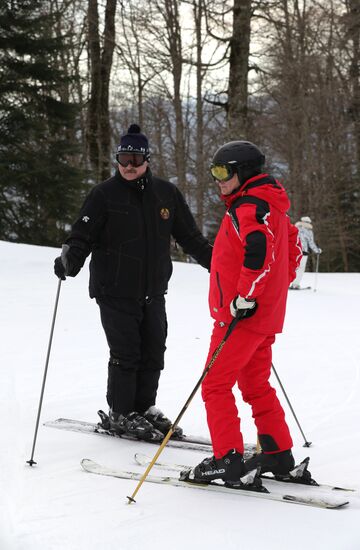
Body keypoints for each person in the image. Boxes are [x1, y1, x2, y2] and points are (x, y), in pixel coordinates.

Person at [54, 124, 212, 441]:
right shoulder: (103, 195)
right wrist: (69, 261)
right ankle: (121, 412)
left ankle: (143, 408)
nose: (128, 166)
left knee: (154, 350)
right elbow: (81, 236)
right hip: (114, 290)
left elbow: (191, 238)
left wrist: (220, 265)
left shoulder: (166, 194)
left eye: (134, 160)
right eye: (123, 159)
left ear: (147, 160)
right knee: (126, 353)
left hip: (153, 290)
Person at [181, 140, 305, 488]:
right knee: (254, 384)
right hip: (264, 317)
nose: (218, 179)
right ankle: (278, 453)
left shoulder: (248, 207)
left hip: (241, 317)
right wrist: (276, 284)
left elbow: (259, 250)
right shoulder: (272, 205)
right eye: (214, 172)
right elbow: (292, 245)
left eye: (224, 172)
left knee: (215, 384)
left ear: (244, 172)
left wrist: (247, 296)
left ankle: (228, 459)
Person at [289, 216, 322, 290]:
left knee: (293, 267)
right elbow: (311, 243)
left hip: (293, 250)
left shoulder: (295, 228)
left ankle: (288, 282)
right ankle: (295, 284)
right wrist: (317, 250)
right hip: (303, 252)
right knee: (300, 268)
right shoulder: (308, 231)